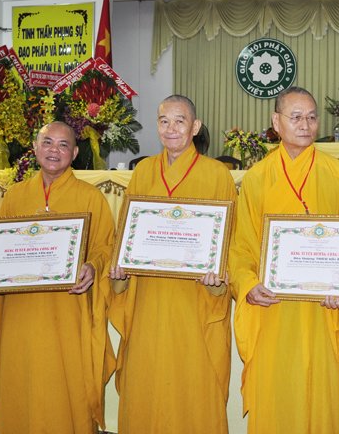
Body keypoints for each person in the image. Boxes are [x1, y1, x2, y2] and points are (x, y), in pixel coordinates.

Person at [0, 122, 115, 434]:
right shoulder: (15, 195)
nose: (54, 150)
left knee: (65, 385)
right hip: (19, 313)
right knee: (21, 381)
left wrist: (93, 266)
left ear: (75, 153)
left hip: (66, 312)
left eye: (63, 145)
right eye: (47, 142)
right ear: (35, 148)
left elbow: (105, 246)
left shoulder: (90, 197)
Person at [229, 86, 339, 433]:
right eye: (296, 117)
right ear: (276, 122)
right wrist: (248, 284)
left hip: (323, 310)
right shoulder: (257, 177)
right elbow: (242, 245)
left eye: (312, 117)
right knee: (279, 396)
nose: (305, 124)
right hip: (274, 309)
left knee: (322, 396)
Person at [108, 95, 238, 434]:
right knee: (147, 377)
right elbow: (126, 232)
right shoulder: (143, 171)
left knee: (191, 383)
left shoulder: (217, 174)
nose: (171, 128)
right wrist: (121, 272)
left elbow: (230, 239)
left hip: (194, 300)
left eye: (180, 121)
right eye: (164, 121)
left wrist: (218, 278)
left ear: (195, 127)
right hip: (147, 298)